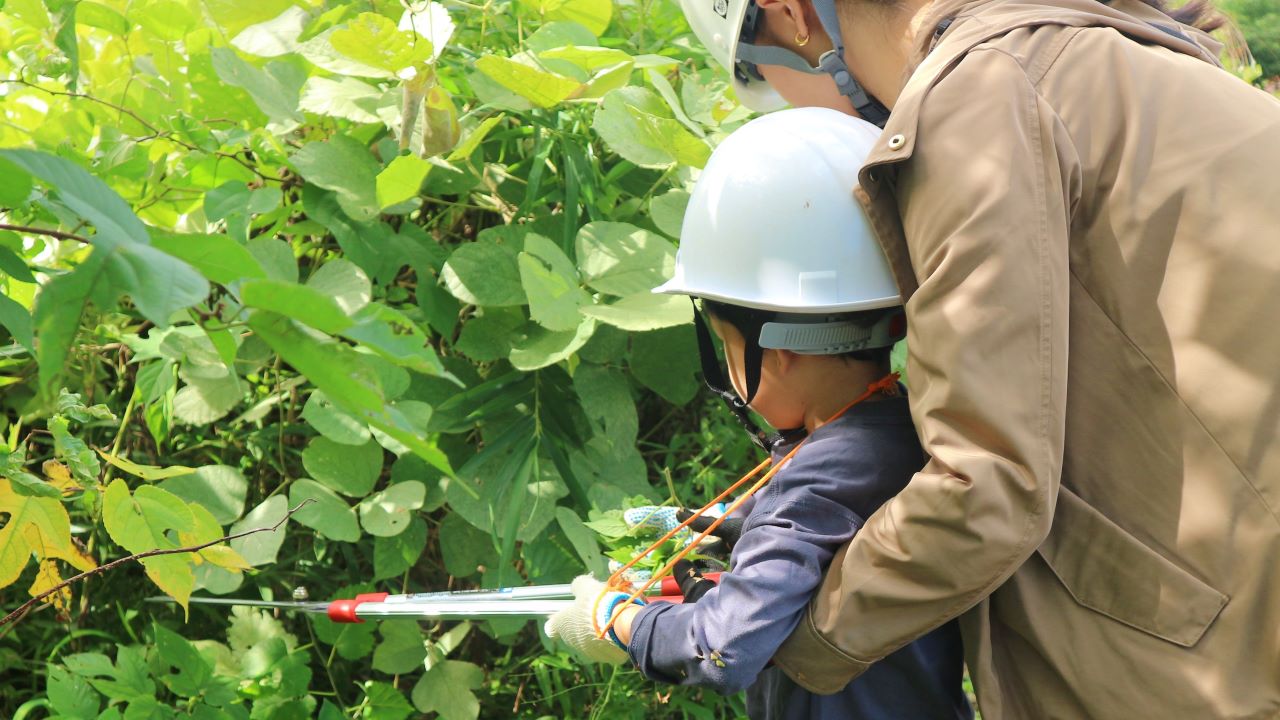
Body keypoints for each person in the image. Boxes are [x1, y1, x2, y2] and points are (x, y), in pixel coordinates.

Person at [676, 0, 1280, 717]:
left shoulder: (976, 103)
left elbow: (985, 488)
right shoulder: (1101, 56)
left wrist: (773, 635)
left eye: (771, 90)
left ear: (790, 17)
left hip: (1206, 659)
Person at [545, 108, 973, 720]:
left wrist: (621, 625)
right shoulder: (898, 430)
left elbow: (722, 647)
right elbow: (819, 539)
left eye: (727, 345)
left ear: (779, 354)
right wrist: (726, 524)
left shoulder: (821, 478)